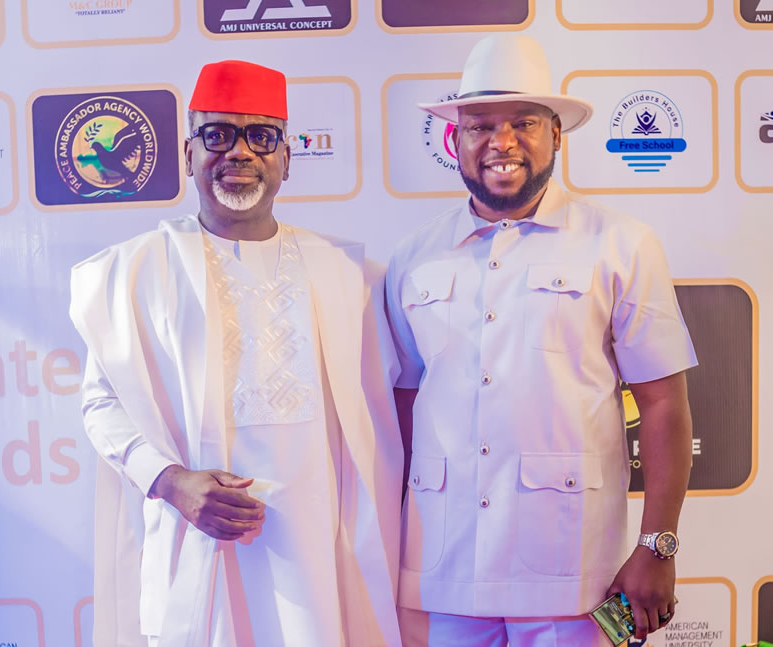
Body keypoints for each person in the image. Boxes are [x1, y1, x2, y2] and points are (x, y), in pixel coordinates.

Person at [70, 60, 403, 647]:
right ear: (188, 153)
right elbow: (101, 404)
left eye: (261, 136)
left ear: (287, 158)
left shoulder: (349, 275)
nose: (240, 152)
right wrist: (169, 482)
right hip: (197, 543)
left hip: (317, 555)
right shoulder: (136, 272)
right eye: (218, 134)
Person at [385, 35, 697, 647]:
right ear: (456, 140)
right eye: (481, 126)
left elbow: (663, 404)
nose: (501, 142)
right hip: (443, 573)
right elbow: (402, 406)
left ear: (556, 135)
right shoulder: (413, 257)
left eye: (523, 123)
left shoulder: (621, 245)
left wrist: (657, 546)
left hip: (572, 576)